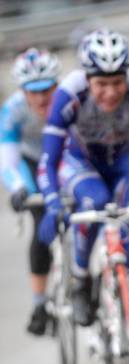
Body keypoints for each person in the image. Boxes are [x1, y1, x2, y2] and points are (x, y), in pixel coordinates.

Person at [37, 29, 129, 364]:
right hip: (81, 165)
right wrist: (51, 201)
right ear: (87, 79)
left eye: (117, 82)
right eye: (101, 84)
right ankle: (80, 279)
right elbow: (49, 159)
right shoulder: (69, 94)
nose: (110, 91)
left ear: (127, 77)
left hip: (124, 166)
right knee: (91, 204)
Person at [0, 48, 60, 335]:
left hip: (61, 157)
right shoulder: (12, 110)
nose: (40, 98)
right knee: (40, 230)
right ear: (22, 90)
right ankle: (39, 303)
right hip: (31, 163)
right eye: (32, 91)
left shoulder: (67, 101)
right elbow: (7, 157)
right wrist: (17, 188)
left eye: (46, 89)